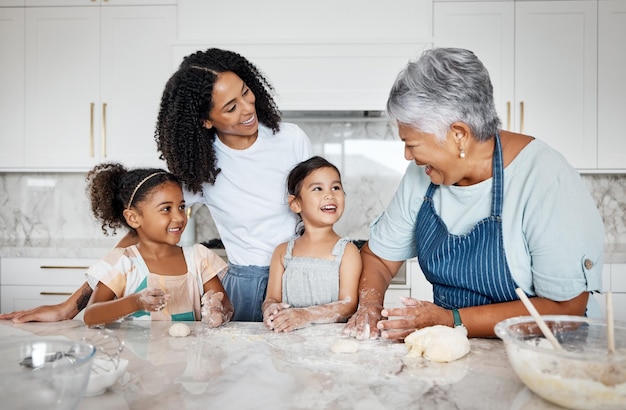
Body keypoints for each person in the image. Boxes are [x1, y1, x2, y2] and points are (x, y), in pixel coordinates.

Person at [0, 48, 311, 323]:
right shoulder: (201, 167)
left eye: (246, 91)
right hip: (248, 286)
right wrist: (72, 305)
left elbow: (313, 213)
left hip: (304, 274)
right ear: (205, 120)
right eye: (230, 107)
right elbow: (142, 233)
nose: (247, 107)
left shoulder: (291, 139)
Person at [343, 47, 605, 341]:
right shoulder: (424, 174)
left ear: (458, 134)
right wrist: (369, 306)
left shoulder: (543, 177)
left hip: (546, 356)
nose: (407, 156)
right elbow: (379, 258)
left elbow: (565, 310)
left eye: (412, 144)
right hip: (461, 352)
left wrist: (449, 320)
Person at [82, 162, 233, 327]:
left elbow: (225, 304)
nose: (179, 217)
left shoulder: (199, 257)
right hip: (136, 353)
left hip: (189, 352)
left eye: (181, 207)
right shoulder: (123, 262)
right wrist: (135, 302)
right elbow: (91, 316)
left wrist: (218, 310)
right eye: (166, 209)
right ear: (133, 218)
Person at [262, 156, 362, 332]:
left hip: (330, 344)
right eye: (318, 188)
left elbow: (348, 305)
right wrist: (271, 308)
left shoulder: (347, 251)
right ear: (296, 204)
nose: (330, 194)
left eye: (336, 187)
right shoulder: (283, 252)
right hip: (287, 342)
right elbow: (271, 298)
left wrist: (305, 315)